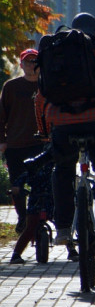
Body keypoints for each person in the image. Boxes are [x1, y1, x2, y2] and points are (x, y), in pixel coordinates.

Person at [35, 12, 95, 249]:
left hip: (61, 124)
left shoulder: (55, 49)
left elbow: (40, 97)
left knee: (62, 171)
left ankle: (62, 228)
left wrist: (45, 133)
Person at [1, 49, 45, 234]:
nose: (31, 66)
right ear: (21, 65)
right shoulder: (11, 87)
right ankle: (21, 218)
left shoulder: (47, 86)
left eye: (34, 62)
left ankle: (37, 218)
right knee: (17, 186)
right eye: (27, 62)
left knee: (40, 184)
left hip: (40, 143)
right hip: (16, 143)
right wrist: (2, 140)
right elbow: (1, 115)